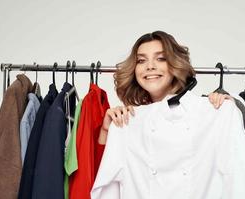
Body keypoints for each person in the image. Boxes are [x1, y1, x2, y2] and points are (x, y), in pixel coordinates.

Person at [98, 31, 232, 144]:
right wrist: (106, 130)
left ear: (176, 64)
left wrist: (228, 109)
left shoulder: (205, 110)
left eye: (161, 58)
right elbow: (106, 172)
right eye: (141, 60)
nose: (150, 66)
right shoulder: (129, 120)